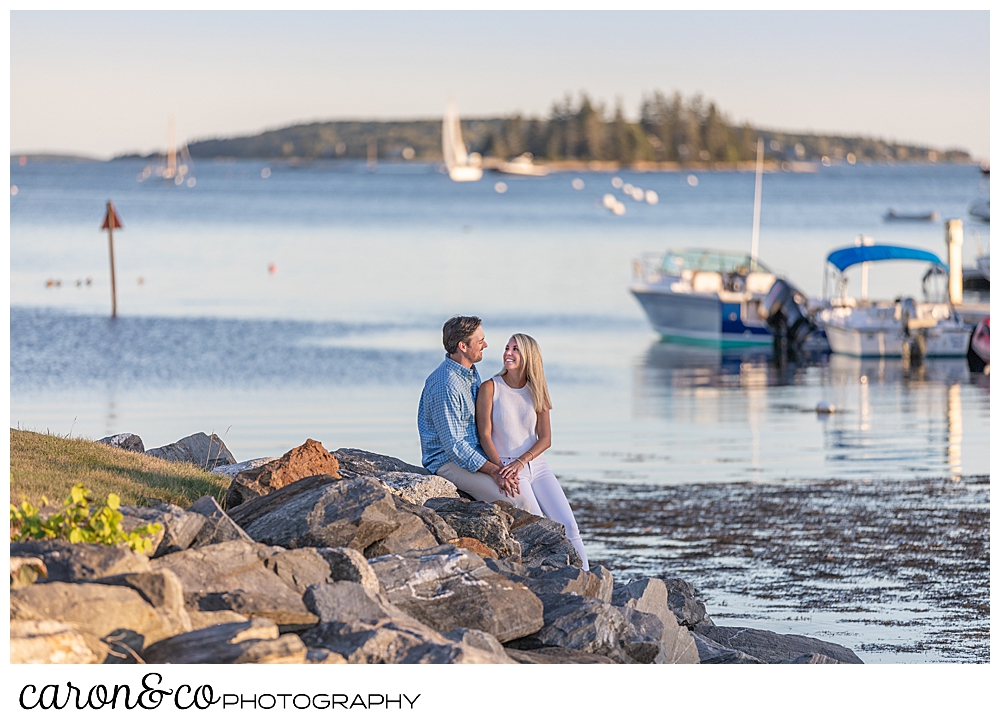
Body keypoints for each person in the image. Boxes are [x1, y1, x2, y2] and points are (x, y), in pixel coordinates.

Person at [476, 333, 589, 570]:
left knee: (569, 525)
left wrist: (522, 460)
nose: (508, 353)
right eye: (507, 348)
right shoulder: (490, 387)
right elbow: (484, 435)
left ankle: (589, 577)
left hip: (537, 466)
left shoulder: (537, 390)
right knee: (541, 529)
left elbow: (545, 438)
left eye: (515, 349)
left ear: (528, 356)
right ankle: (553, 577)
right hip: (507, 467)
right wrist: (501, 469)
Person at [417, 316, 542, 513]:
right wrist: (495, 471)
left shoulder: (470, 373)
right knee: (520, 504)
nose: (486, 344)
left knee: (527, 488)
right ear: (463, 346)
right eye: (480, 340)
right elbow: (454, 446)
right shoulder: (446, 385)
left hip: (474, 455)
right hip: (448, 462)